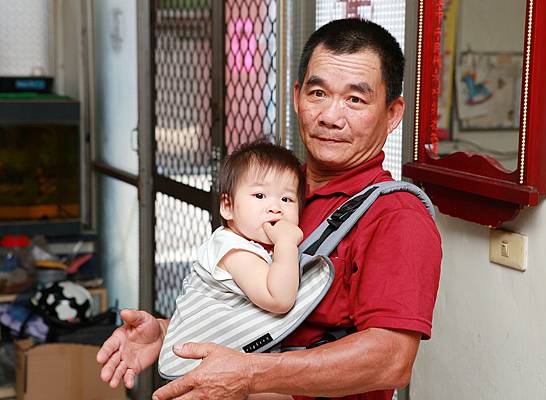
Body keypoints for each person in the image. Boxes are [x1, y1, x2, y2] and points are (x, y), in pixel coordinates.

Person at [97, 18, 442, 400]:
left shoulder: (396, 217)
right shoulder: (274, 193)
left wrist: (249, 375)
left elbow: (390, 359)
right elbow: (252, 307)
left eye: (355, 99)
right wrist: (169, 334)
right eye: (318, 93)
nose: (330, 115)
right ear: (297, 97)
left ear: (393, 114)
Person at [159, 140, 305, 375]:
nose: (275, 207)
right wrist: (286, 244)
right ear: (227, 206)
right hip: (196, 370)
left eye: (286, 199)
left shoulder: (248, 243)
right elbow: (279, 299)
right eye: (259, 195)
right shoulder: (233, 250)